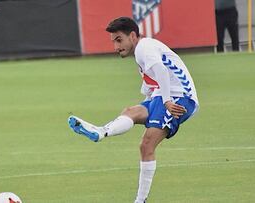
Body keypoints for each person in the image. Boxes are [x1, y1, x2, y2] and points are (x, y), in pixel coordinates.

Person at [67, 17, 199, 203]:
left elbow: (161, 71)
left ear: (133, 36)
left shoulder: (145, 47)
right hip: (162, 96)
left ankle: (140, 200)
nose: (115, 47)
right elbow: (151, 89)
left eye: (119, 40)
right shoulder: (141, 53)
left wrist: (168, 101)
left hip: (181, 98)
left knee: (147, 145)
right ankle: (102, 131)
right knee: (130, 111)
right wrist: (148, 109)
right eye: (113, 42)